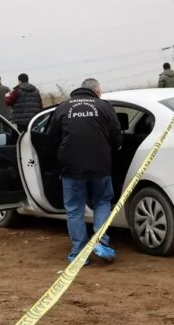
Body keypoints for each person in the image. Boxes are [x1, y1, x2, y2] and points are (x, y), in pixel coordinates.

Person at [49, 78, 122, 264]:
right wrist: (111, 153)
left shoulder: (63, 108)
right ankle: (100, 242)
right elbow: (116, 136)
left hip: (71, 167)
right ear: (97, 92)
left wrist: (58, 164)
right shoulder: (104, 106)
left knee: (74, 209)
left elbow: (52, 138)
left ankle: (79, 252)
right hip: (100, 165)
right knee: (102, 202)